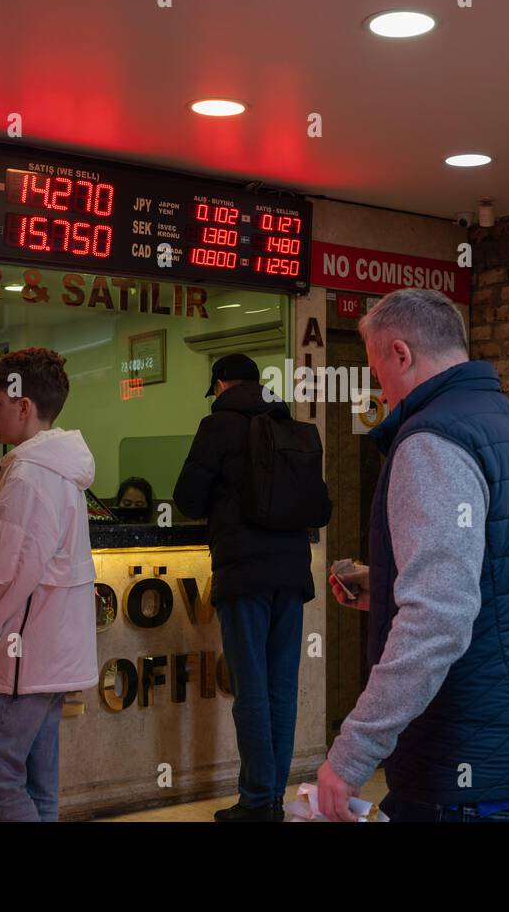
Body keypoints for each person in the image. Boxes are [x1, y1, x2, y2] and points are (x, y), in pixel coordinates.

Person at [316, 288, 509, 823]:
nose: (380, 392)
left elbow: (438, 618)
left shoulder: (431, 440)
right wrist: (389, 581)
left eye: (375, 371)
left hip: (468, 762)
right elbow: (508, 579)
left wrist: (350, 756)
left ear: (401, 354)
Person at [174, 352, 331, 822]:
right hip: (291, 575)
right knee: (281, 687)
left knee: (252, 690)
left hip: (244, 577)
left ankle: (257, 800)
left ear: (220, 384)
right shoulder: (290, 426)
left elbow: (186, 499)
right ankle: (271, 797)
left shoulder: (217, 426)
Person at [0, 348, 98, 821]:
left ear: (23, 406)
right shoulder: (63, 472)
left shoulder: (29, 475)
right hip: (51, 654)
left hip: (21, 655)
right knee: (39, 785)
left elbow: (4, 578)